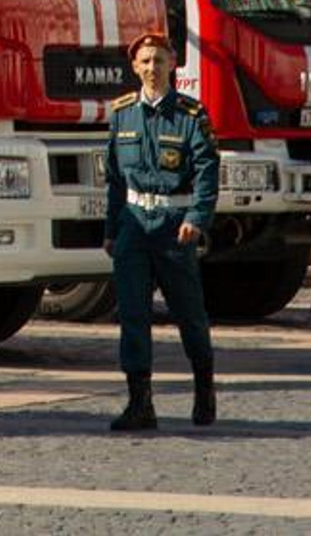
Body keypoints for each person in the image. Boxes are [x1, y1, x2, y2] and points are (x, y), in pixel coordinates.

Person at [104, 30, 219, 432]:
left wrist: (197, 218)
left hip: (174, 227)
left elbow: (207, 171)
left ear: (173, 64)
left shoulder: (190, 115)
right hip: (134, 227)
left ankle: (204, 388)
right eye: (145, 61)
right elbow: (115, 179)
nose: (153, 68)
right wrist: (111, 228)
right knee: (133, 314)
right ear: (134, 67)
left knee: (189, 314)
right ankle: (140, 403)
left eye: (160, 60)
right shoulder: (121, 113)